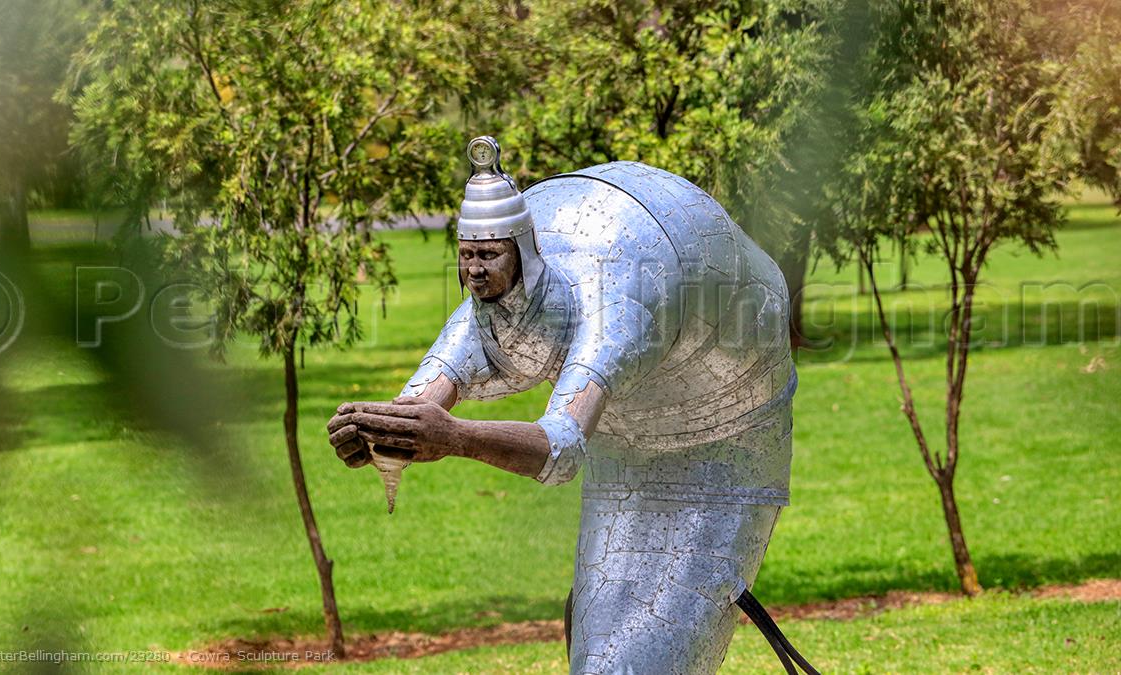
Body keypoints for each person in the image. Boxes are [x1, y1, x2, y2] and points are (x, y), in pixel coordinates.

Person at [327, 136, 797, 674]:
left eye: (489, 255)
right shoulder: (486, 312)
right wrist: (378, 436)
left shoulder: (616, 302)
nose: (476, 271)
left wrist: (454, 438)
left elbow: (561, 450)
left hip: (721, 427)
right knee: (601, 654)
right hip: (629, 421)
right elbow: (420, 409)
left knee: (642, 659)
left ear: (525, 251)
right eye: (467, 256)